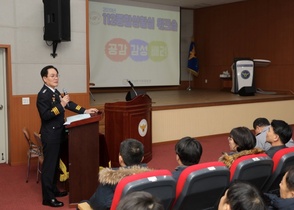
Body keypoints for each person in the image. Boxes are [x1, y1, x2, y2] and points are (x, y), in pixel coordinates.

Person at [36, 65, 98, 207]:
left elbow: (68, 104)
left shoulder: (54, 92)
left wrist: (85, 110)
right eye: (52, 75)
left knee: (55, 165)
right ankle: (48, 198)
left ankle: (53, 190)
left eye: (57, 75)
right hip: (50, 135)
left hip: (58, 133)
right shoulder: (43, 94)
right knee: (49, 167)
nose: (56, 77)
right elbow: (46, 116)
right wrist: (61, 104)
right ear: (44, 78)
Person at [85, 138, 152, 210]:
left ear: (120, 158)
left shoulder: (110, 179)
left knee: (84, 203)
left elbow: (100, 205)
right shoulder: (152, 178)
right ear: (142, 159)